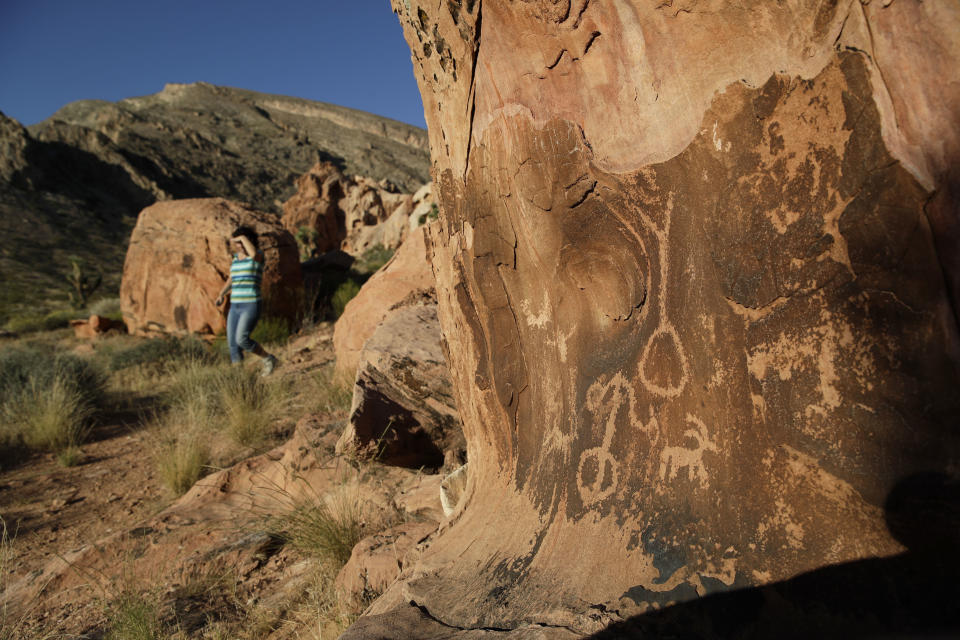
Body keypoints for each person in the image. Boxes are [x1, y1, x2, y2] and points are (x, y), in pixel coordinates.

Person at [215, 226, 279, 376]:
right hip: (235, 306)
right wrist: (221, 293)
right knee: (232, 344)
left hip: (250, 304)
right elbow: (232, 278)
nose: (237, 245)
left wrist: (241, 237)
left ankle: (268, 358)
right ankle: (240, 378)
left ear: (247, 241)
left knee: (242, 339)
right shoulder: (236, 259)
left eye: (239, 241)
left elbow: (253, 254)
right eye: (236, 242)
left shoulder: (257, 256)